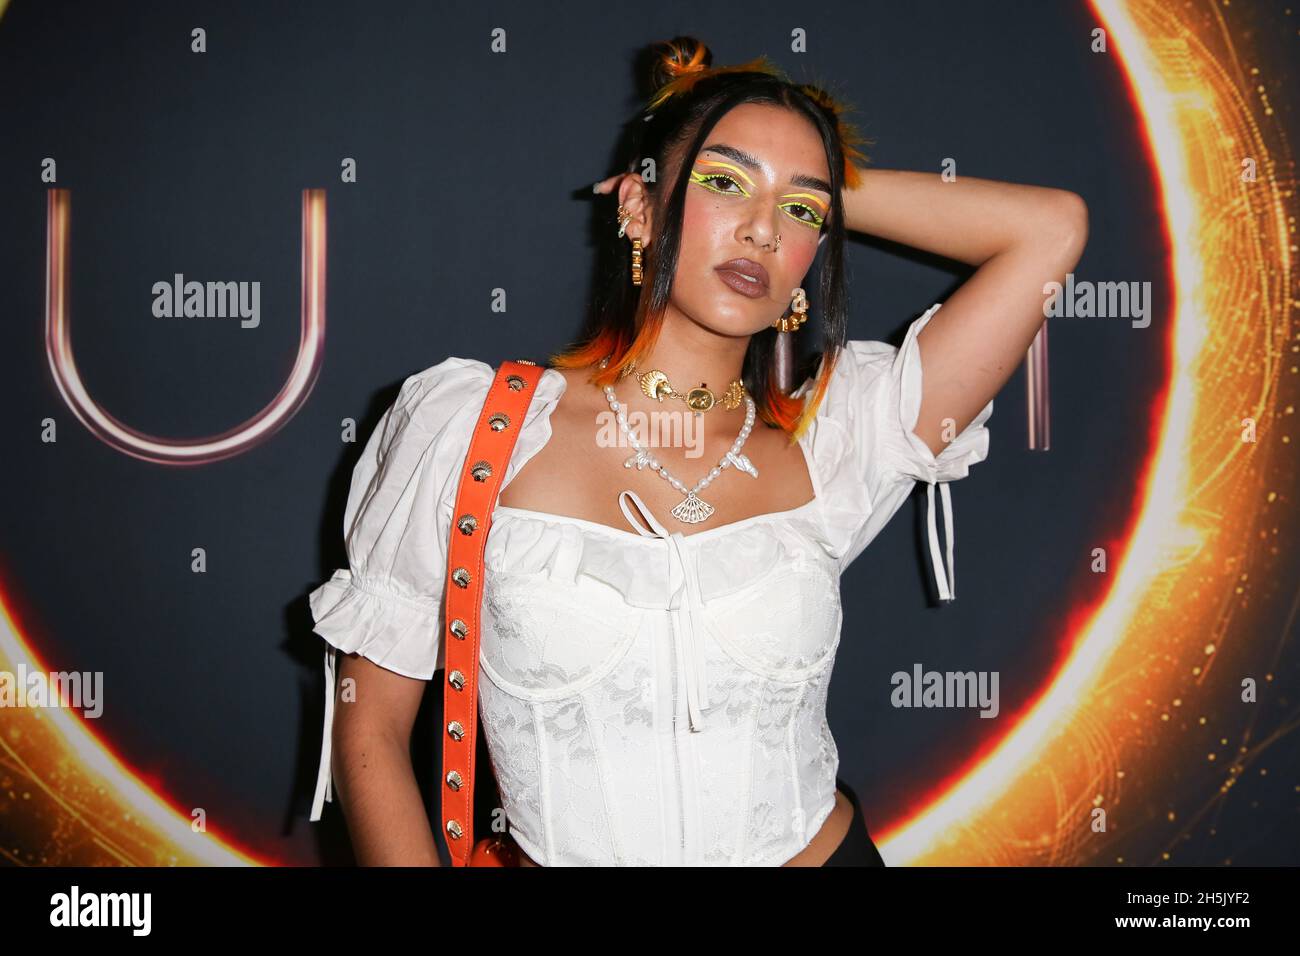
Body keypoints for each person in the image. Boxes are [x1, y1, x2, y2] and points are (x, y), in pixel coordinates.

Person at [305, 36, 1088, 866]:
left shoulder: (839, 431)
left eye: (801, 212)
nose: (761, 230)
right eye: (723, 183)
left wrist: (815, 183)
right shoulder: (471, 426)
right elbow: (372, 731)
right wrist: (758, 179)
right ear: (637, 210)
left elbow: (1048, 230)